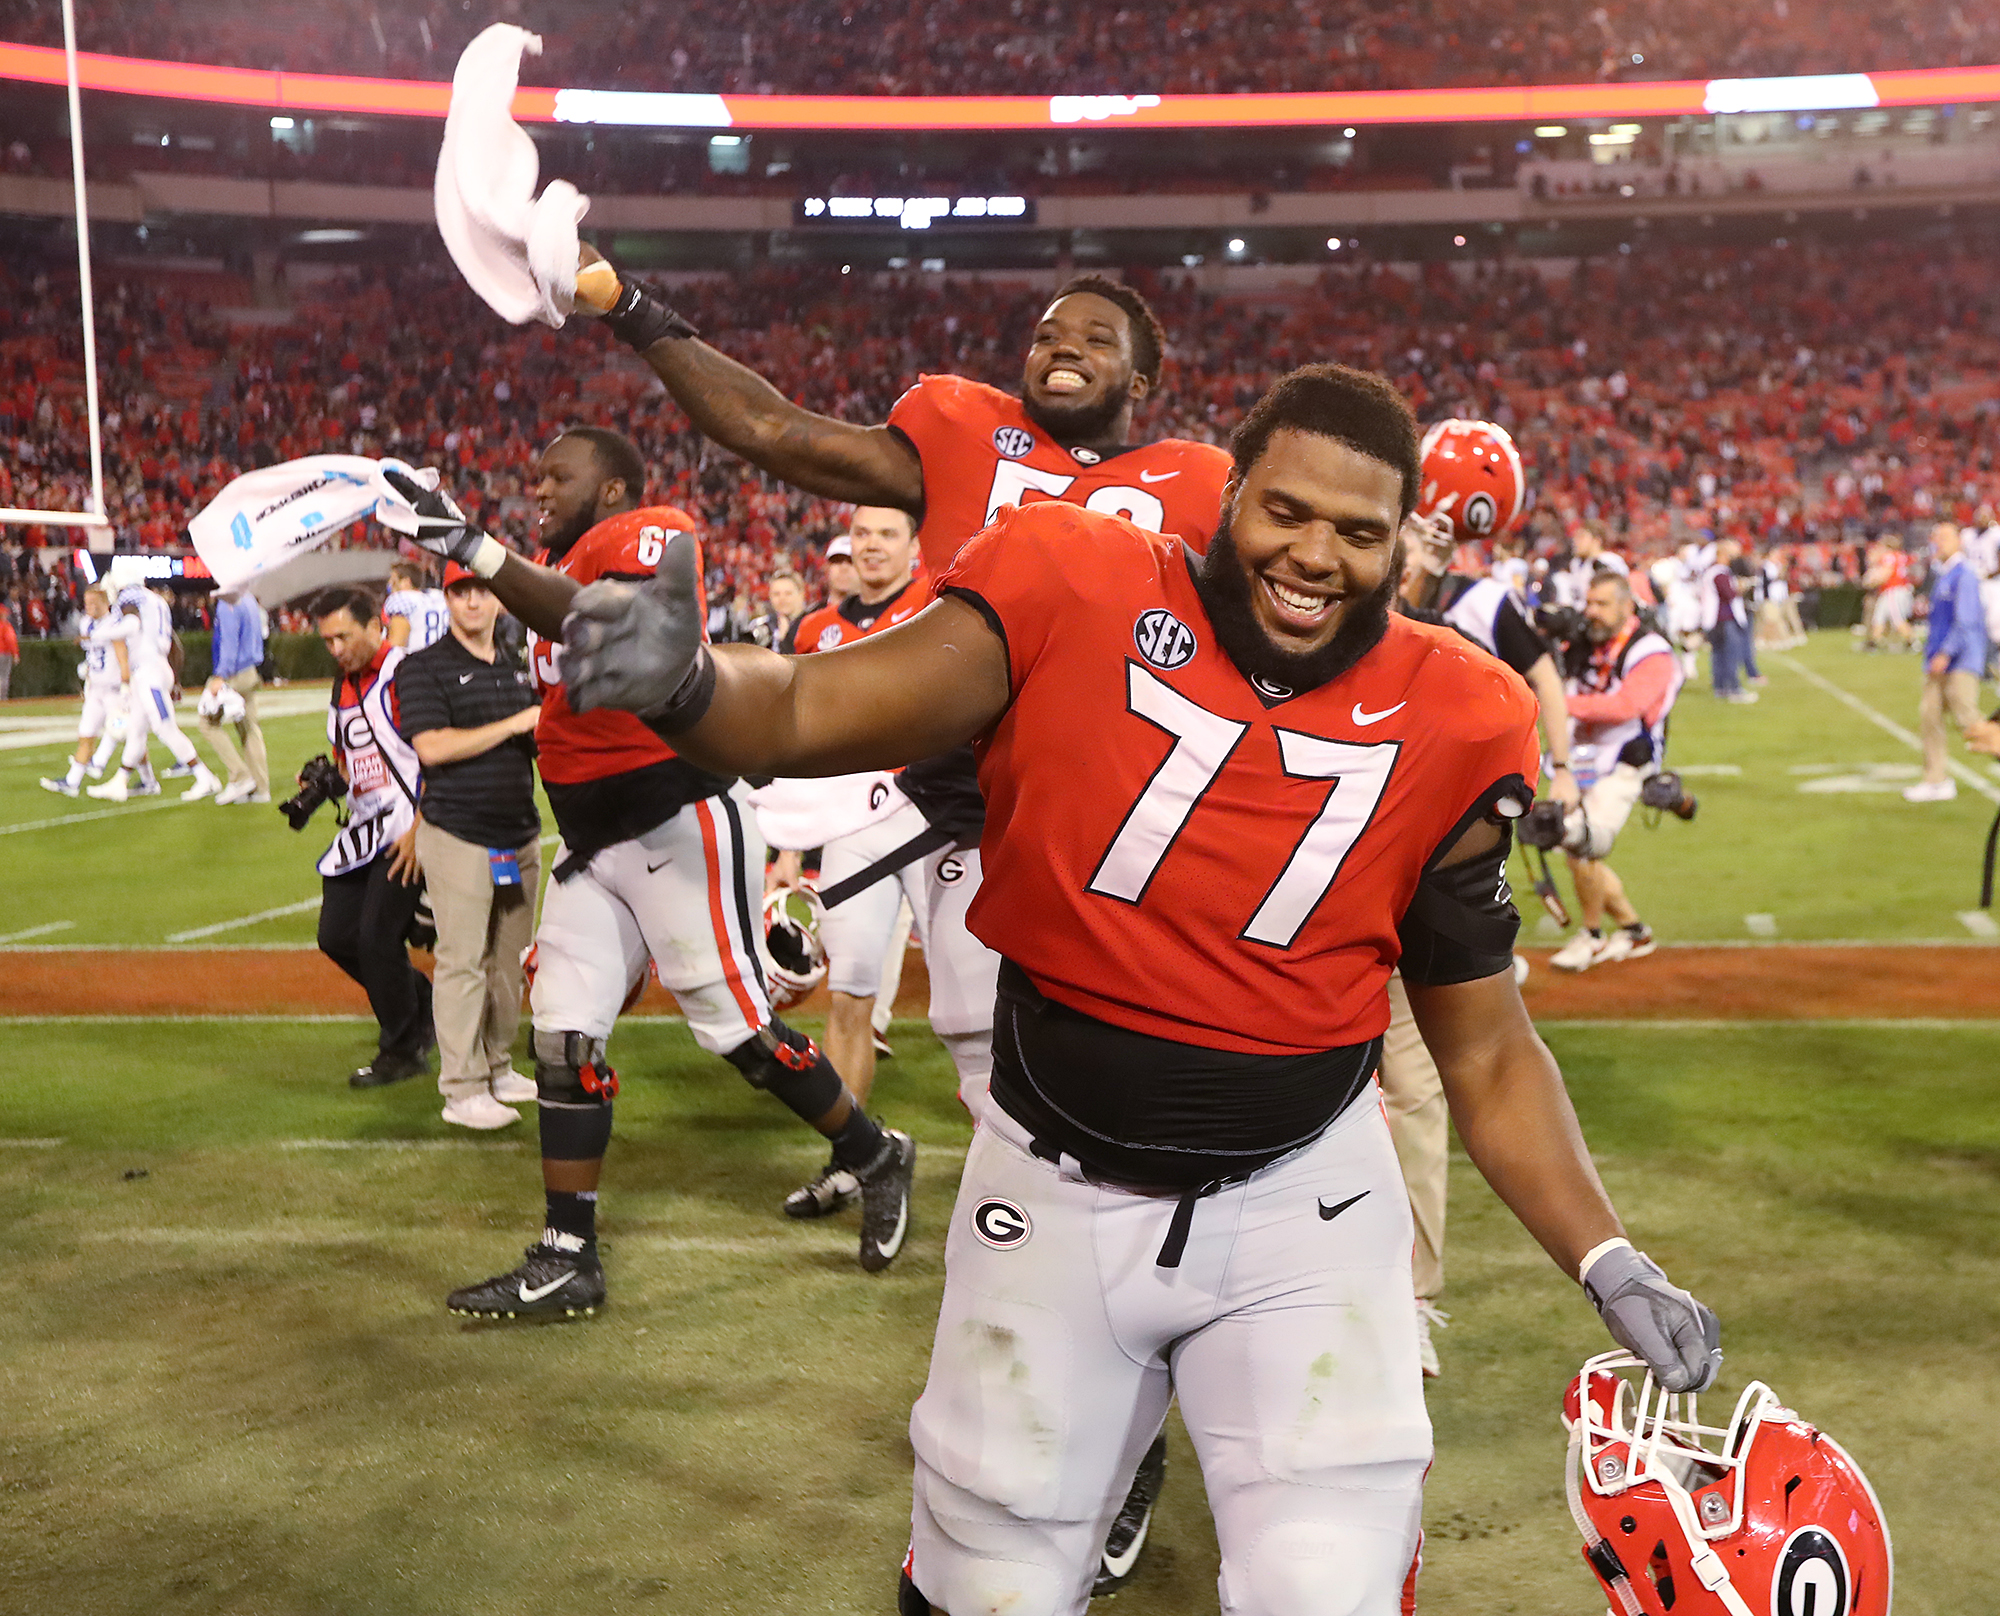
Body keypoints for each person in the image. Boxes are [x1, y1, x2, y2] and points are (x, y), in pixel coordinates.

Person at [559, 364, 1722, 1616]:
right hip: (1049, 1178)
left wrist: (1604, 1253)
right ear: (1227, 497)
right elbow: (804, 706)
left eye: (1357, 530)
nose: (1315, 553)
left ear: (1399, 546)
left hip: (1303, 1207)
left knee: (1326, 1580)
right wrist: (687, 687)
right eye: (1285, 511)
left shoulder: (1459, 713)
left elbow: (1485, 1048)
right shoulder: (1072, 575)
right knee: (982, 1574)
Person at [568, 258, 1232, 1580]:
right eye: (1046, 331)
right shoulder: (959, 437)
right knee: (1022, 1140)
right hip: (966, 827)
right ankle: (1075, 1431)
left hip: (1116, 841)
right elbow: (770, 430)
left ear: (1143, 378)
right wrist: (627, 306)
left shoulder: (1198, 485)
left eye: (1095, 336)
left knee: (1123, 1142)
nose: (1062, 347)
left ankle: (1128, 1431)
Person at [382, 426, 914, 1317]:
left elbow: (600, 618)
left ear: (617, 485)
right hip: (595, 845)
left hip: (679, 815)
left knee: (740, 1033)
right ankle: (567, 1254)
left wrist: (472, 543)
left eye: (560, 472)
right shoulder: (549, 561)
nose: (539, 483)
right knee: (563, 1038)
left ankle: (872, 1153)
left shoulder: (653, 531)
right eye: (537, 469)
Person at [395, 563, 545, 1128]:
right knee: (462, 961)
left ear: (499, 600)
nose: (473, 602)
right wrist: (514, 724)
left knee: (508, 960)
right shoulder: (423, 667)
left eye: (482, 591)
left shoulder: (515, 666)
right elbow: (431, 747)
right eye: (461, 592)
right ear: (448, 600)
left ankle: (497, 1064)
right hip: (459, 834)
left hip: (518, 834)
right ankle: (461, 1089)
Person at [309, 585, 434, 1089]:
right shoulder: (341, 686)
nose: (335, 649)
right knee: (336, 936)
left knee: (377, 937)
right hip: (365, 827)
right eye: (327, 640)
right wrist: (324, 783)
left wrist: (423, 830)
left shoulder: (407, 675)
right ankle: (421, 1004)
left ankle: (403, 1048)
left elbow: (436, 755)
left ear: (374, 625)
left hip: (407, 825)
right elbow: (352, 760)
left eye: (343, 636)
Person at [1545, 571, 1685, 970]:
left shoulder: (1652, 650)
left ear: (1627, 606)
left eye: (1602, 604)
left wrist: (1555, 701)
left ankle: (1591, 935)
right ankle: (1634, 929)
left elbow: (1626, 706)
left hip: (1628, 761)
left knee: (1581, 842)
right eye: (1589, 603)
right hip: (1583, 757)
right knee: (1573, 847)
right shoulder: (1583, 641)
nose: (1592, 612)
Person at [85, 580, 222, 802]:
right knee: (136, 730)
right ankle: (120, 780)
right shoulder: (156, 601)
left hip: (149, 673)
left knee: (164, 727)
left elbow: (131, 624)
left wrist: (100, 634)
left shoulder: (133, 599)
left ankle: (204, 776)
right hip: (151, 670)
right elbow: (171, 644)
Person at [1903, 520, 1988, 805]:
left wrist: (1946, 652)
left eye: (1944, 537)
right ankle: (1936, 780)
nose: (1937, 541)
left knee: (1969, 719)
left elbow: (1965, 621)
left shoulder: (1963, 574)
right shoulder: (1945, 574)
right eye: (1935, 536)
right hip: (1940, 659)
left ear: (1958, 542)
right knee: (1929, 717)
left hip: (1960, 659)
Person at [39, 585, 122, 796]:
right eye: (87, 603)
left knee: (123, 731)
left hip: (114, 688)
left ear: (106, 602)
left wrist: (127, 683)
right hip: (95, 688)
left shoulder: (116, 624)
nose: (90, 607)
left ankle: (142, 777)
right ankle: (72, 782)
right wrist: (88, 667)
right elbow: (93, 650)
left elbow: (123, 655)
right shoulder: (86, 623)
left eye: (95, 603)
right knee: (86, 733)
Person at [201, 585, 272, 805]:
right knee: (249, 729)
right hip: (250, 670)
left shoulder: (228, 602)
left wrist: (220, 675)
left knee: (207, 724)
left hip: (234, 674)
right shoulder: (249, 597)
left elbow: (229, 641)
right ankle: (261, 789)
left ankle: (240, 776)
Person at [1698, 538, 1756, 702]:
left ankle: (1721, 687)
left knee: (1718, 655)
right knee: (1730, 654)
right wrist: (1741, 588)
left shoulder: (1711, 572)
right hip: (1724, 619)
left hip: (1714, 620)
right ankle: (1733, 688)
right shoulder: (1719, 573)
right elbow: (1729, 594)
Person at [383, 560, 450, 651]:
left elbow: (396, 645)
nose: (390, 587)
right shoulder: (439, 597)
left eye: (393, 582)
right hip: (445, 658)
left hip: (418, 661)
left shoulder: (402, 599)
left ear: (406, 582)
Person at [750, 567, 806, 652]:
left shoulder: (811, 625)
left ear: (801, 595)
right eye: (776, 594)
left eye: (788, 593)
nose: (782, 599)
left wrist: (785, 638)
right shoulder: (762, 626)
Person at [822, 533, 860, 609]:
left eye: (851, 562)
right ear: (827, 568)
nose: (844, 568)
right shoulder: (811, 618)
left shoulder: (880, 616)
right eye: (837, 561)